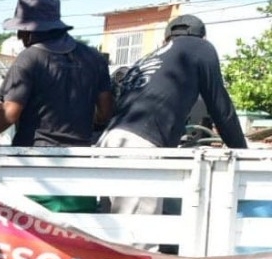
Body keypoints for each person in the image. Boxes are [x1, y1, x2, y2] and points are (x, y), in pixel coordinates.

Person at [0, 0, 114, 213]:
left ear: (31, 31)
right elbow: (106, 112)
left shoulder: (30, 58)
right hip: (78, 171)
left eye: (21, 29)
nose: (19, 36)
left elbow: (10, 113)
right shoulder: (94, 59)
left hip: (33, 172)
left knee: (27, 240)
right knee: (73, 240)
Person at [98, 14, 248, 216]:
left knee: (112, 234)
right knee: (138, 235)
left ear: (166, 38)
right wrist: (244, 155)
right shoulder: (199, 47)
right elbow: (220, 107)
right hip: (139, 148)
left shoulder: (150, 57)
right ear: (202, 36)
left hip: (109, 141)